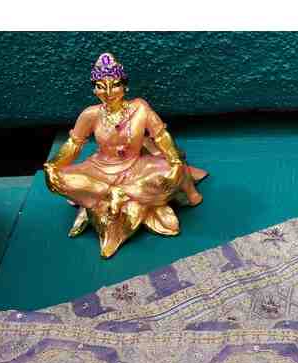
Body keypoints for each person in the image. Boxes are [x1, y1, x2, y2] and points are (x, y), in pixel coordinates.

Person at [44, 52, 208, 258]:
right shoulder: (90, 114)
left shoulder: (140, 108)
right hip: (99, 170)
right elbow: (73, 145)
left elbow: (161, 136)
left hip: (136, 167)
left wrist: (174, 160)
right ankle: (110, 193)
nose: (108, 93)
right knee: (58, 177)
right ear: (94, 90)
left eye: (115, 85)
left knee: (174, 170)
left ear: (125, 87)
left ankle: (117, 194)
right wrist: (53, 165)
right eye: (101, 87)